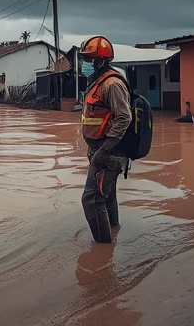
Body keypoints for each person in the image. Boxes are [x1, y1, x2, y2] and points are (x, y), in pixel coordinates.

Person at [78, 35, 132, 244]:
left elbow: (124, 118)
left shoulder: (112, 84)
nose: (85, 64)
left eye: (89, 60)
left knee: (91, 199)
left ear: (100, 61)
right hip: (101, 150)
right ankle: (113, 233)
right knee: (106, 196)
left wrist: (105, 150)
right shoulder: (97, 83)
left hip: (110, 152)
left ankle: (102, 251)